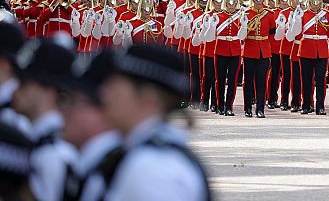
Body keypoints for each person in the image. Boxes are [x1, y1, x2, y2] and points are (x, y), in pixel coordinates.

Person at [99, 44, 210, 200]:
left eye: (115, 88)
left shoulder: (153, 169)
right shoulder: (143, 153)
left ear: (148, 98)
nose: (104, 95)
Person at [13, 35, 78, 201]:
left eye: (24, 82)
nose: (15, 90)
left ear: (49, 90)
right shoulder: (37, 139)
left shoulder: (55, 154)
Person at [59, 49, 122, 201]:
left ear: (106, 110)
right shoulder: (90, 165)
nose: (63, 112)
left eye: (73, 103)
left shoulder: (118, 174)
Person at [288, 0, 329, 115]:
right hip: (306, 49)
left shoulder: (326, 15)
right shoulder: (303, 14)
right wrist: (296, 19)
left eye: (317, 1)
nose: (315, 4)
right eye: (312, 1)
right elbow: (296, 33)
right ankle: (306, 105)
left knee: (321, 81)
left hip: (321, 50)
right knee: (306, 80)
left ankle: (320, 106)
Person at [237, 0, 276, 118]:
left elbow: (272, 34)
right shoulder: (246, 13)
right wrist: (244, 25)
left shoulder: (269, 14)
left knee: (261, 81)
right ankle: (247, 108)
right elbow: (241, 36)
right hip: (249, 49)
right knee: (248, 81)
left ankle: (260, 108)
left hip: (264, 50)